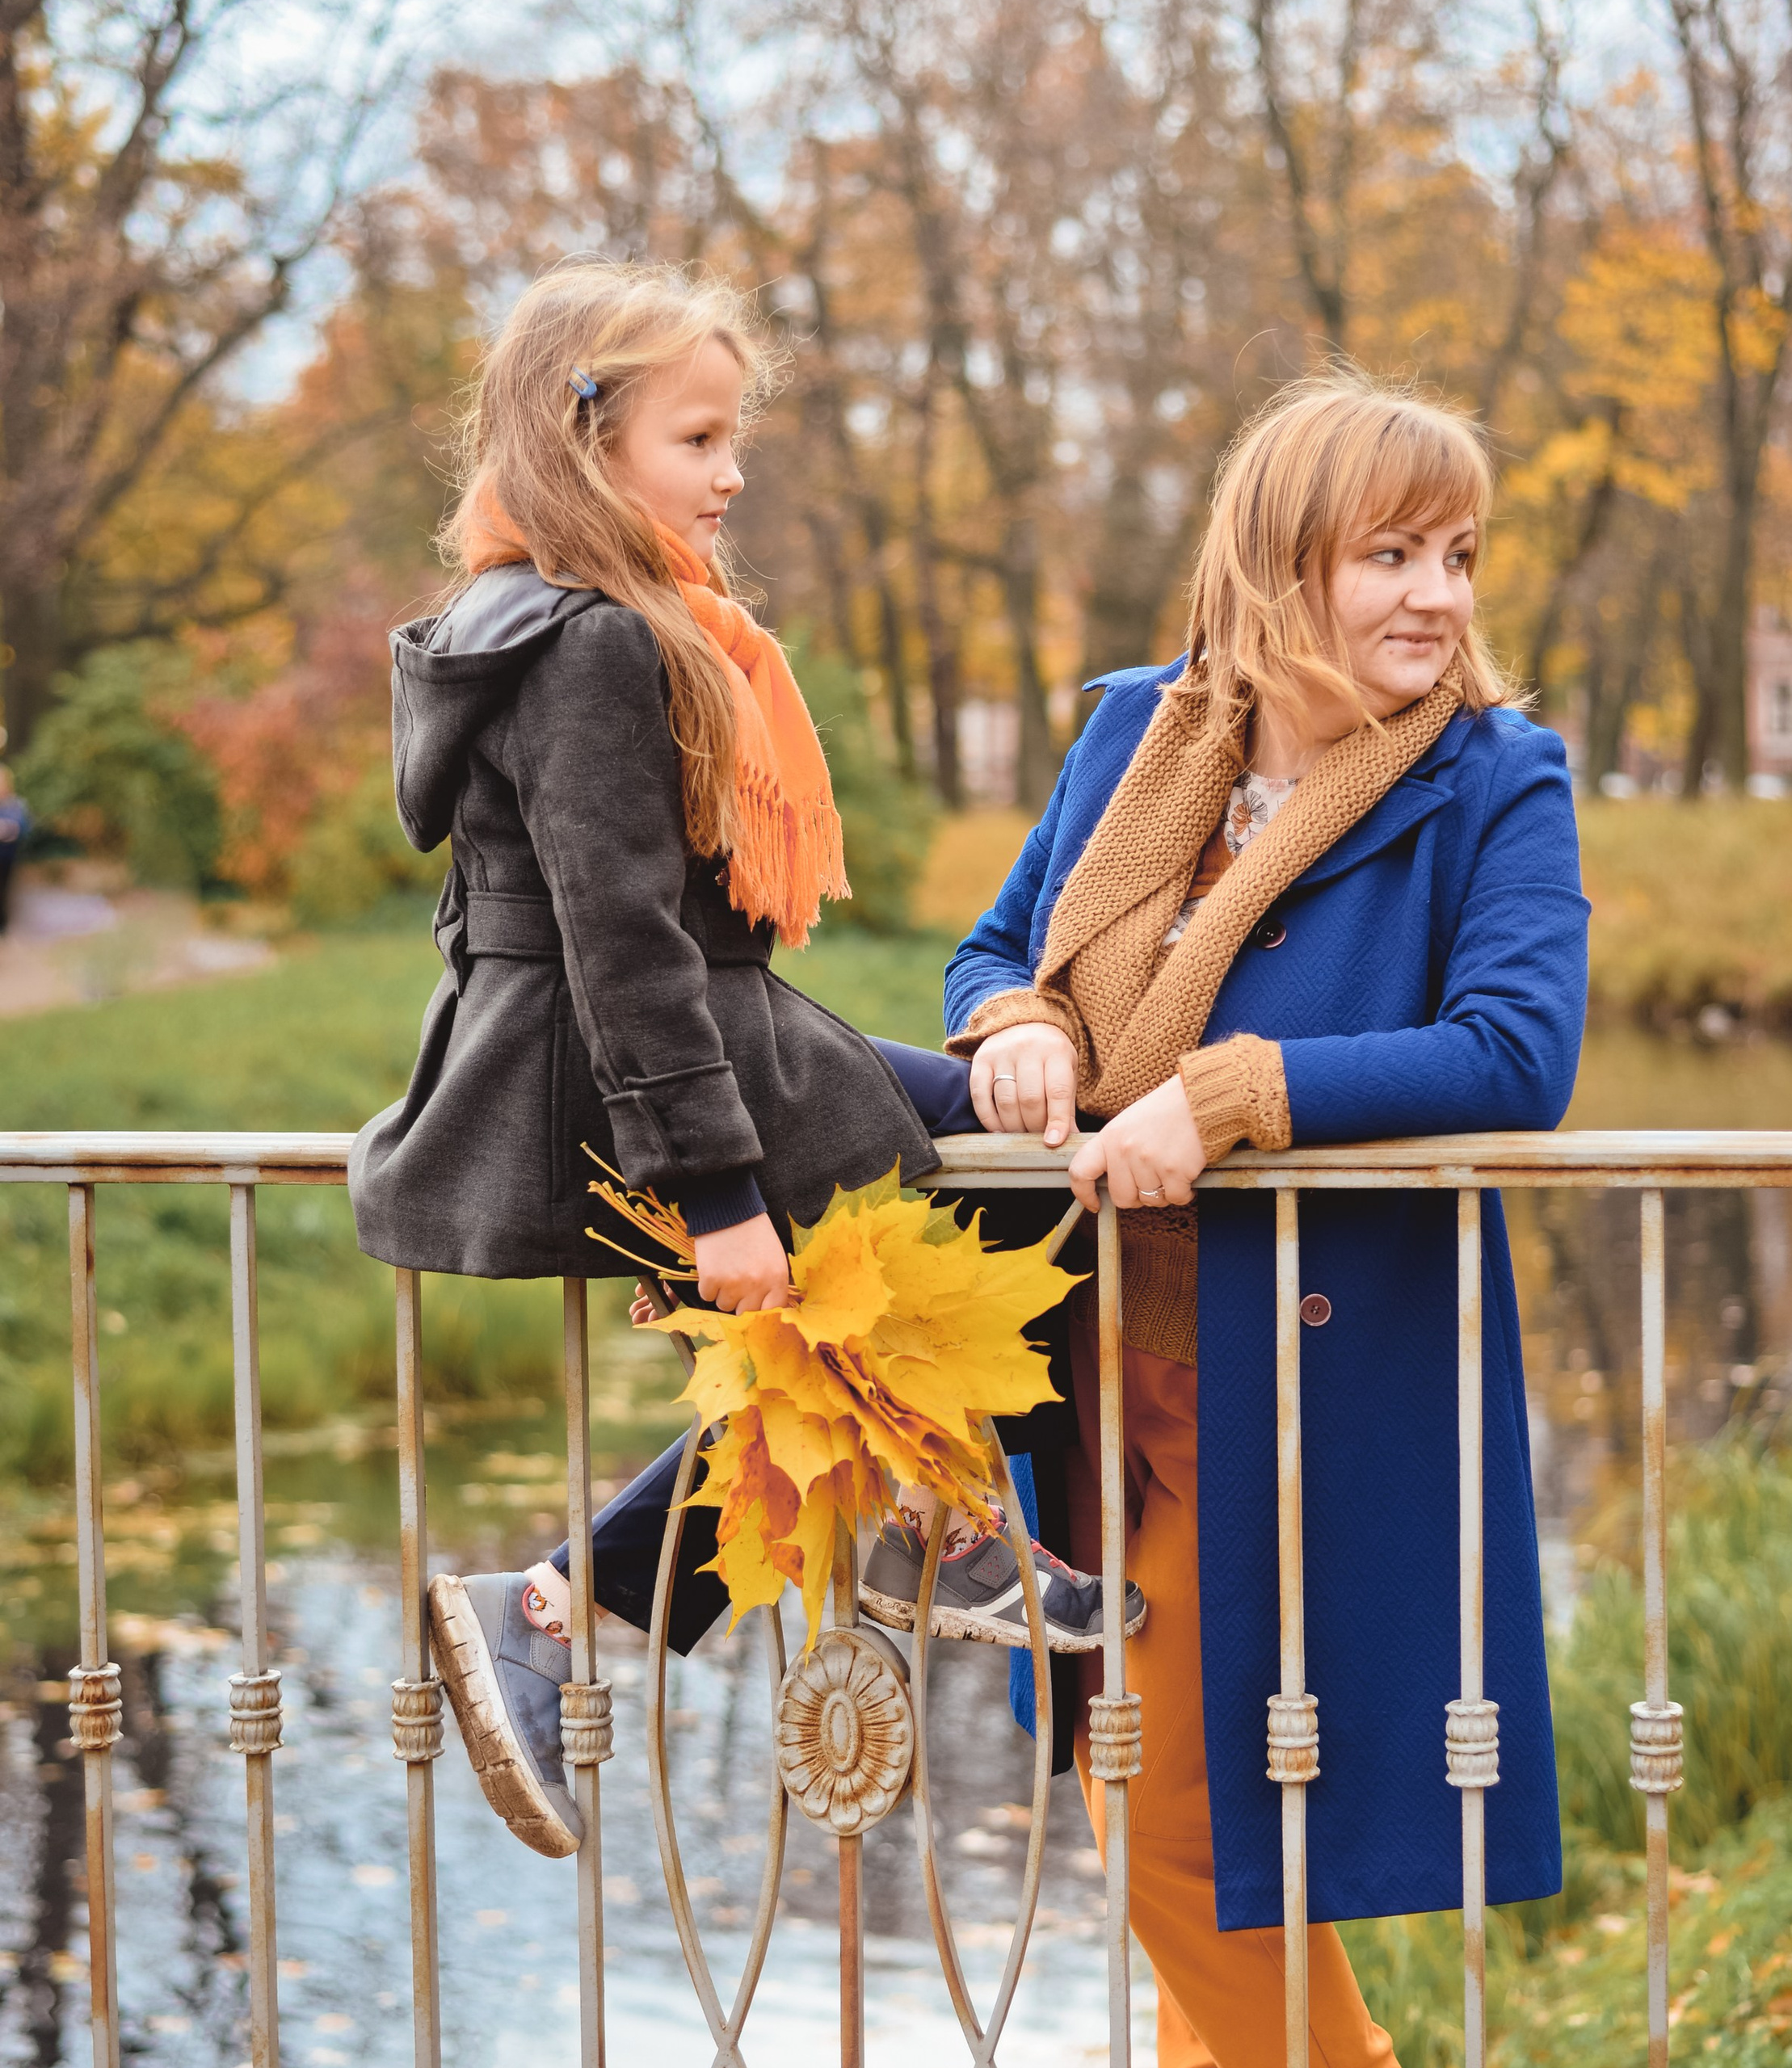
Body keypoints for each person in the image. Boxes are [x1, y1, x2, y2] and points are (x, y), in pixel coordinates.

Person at [348, 258, 1137, 1863]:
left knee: (1031, 1175)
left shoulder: (587, 624)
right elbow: (617, 933)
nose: (730, 474)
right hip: (646, 1060)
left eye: (732, 439)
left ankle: (920, 1523)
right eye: (696, 441)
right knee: (912, 1255)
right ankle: (593, 1586)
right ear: (581, 446)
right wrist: (710, 1188)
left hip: (712, 1029)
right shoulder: (587, 647)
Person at [945, 369, 1588, 2066]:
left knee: (1173, 1822)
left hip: (1300, 1393)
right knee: (1186, 1826)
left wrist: (1228, 1098)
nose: (1436, 596)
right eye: (1388, 553)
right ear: (1278, 561)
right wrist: (1014, 1027)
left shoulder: (1492, 779)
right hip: (1093, 1377)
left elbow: (1516, 1052)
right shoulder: (1133, 731)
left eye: (1456, 553)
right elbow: (994, 946)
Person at [0, 764, 30, 932]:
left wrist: (8, 829)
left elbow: (22, 827)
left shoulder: (14, 805)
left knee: (4, 892)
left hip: (7, 858)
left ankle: (3, 926)